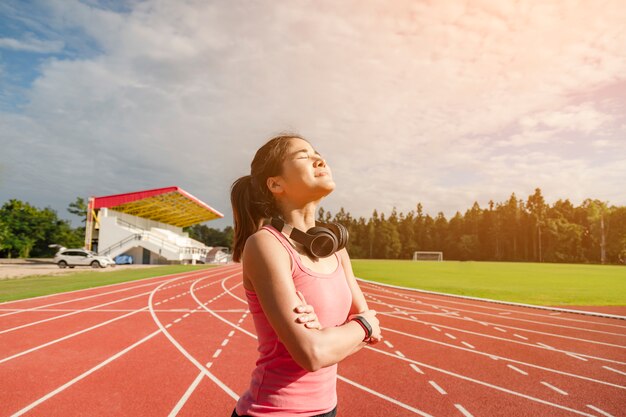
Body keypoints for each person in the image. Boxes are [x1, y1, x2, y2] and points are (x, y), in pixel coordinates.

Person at [229, 134, 382, 417]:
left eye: (316, 153)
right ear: (276, 184)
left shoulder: (337, 251)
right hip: (272, 412)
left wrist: (329, 335)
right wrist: (356, 328)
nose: (319, 159)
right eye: (303, 155)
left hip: (327, 409)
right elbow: (313, 354)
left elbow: (371, 333)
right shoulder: (266, 245)